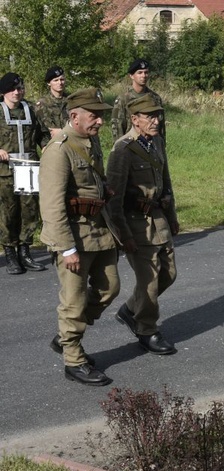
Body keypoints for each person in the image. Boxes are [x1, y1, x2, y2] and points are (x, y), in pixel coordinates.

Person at [40, 88, 119, 386]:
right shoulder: (58, 149)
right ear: (74, 116)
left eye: (100, 115)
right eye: (94, 115)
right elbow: (51, 204)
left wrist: (105, 189)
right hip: (73, 236)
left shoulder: (91, 140)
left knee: (110, 287)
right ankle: (73, 360)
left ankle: (66, 336)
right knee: (73, 301)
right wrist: (67, 248)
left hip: (100, 229)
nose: (100, 120)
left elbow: (94, 177)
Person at [107, 95, 179, 356]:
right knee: (148, 281)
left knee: (168, 274)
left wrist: (172, 216)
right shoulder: (122, 149)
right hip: (136, 223)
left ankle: (130, 309)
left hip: (158, 219)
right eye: (149, 116)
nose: (156, 120)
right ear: (135, 119)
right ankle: (147, 329)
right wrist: (122, 235)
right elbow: (113, 199)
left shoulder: (157, 142)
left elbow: (165, 180)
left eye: (157, 115)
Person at [0, 72, 45, 275]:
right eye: (13, 88)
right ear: (4, 92)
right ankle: (10, 253)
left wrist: (49, 148)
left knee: (29, 211)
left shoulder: (30, 110)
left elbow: (41, 135)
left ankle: (25, 252)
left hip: (28, 167)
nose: (17, 92)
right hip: (5, 171)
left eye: (20, 88)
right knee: (9, 212)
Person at [111, 59, 165, 141]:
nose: (143, 75)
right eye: (140, 73)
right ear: (131, 76)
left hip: (152, 143)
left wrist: (161, 145)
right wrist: (120, 147)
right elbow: (118, 127)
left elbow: (161, 125)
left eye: (146, 72)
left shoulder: (155, 98)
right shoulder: (123, 99)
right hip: (131, 144)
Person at [35, 65, 69, 148]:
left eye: (62, 79)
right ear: (49, 83)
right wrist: (44, 146)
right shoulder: (42, 104)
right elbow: (40, 130)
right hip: (53, 146)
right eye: (56, 80)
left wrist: (62, 132)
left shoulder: (72, 101)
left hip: (71, 144)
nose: (60, 83)